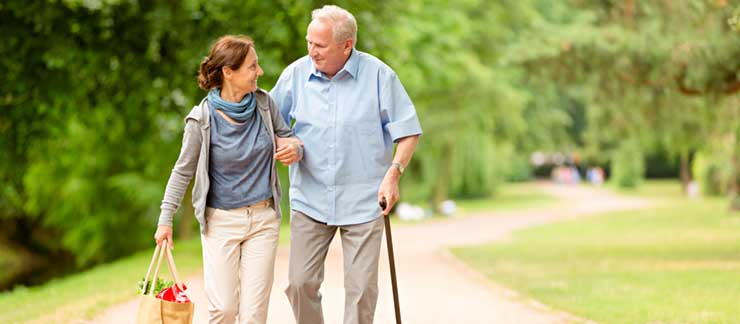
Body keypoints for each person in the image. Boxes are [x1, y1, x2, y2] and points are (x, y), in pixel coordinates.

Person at [270, 5, 422, 324]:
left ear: (346, 45)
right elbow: (271, 126)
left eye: (320, 45)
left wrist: (393, 174)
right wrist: (290, 145)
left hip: (364, 200)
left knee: (362, 290)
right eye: (309, 42)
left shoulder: (379, 76)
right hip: (309, 199)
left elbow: (408, 131)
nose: (312, 51)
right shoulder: (295, 75)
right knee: (299, 284)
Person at [154, 35, 302, 324]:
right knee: (223, 310)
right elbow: (182, 171)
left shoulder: (264, 104)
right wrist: (165, 219)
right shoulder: (202, 119)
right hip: (221, 222)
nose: (259, 72)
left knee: (253, 314)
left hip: (263, 220)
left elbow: (288, 137)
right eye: (252, 67)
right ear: (228, 72)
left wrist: (294, 147)